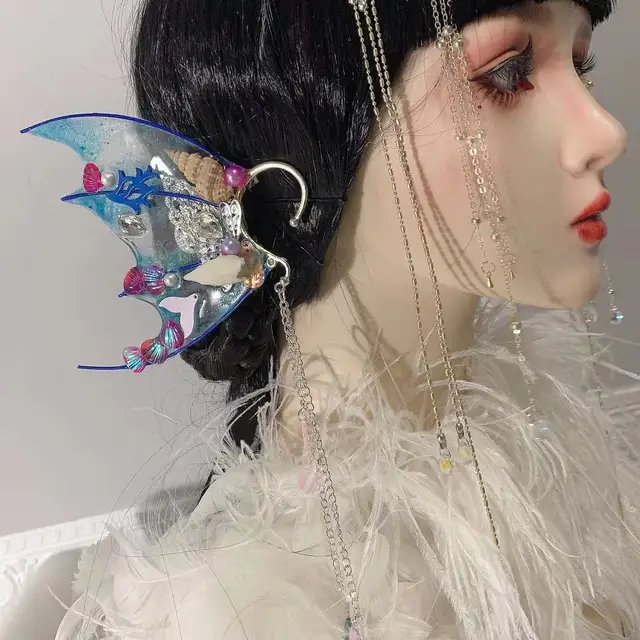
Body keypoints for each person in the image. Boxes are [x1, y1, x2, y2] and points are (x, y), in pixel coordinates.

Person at [10, 0, 640, 638]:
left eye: (581, 65)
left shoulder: (582, 513)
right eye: (508, 73)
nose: (604, 131)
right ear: (297, 138)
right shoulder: (224, 613)